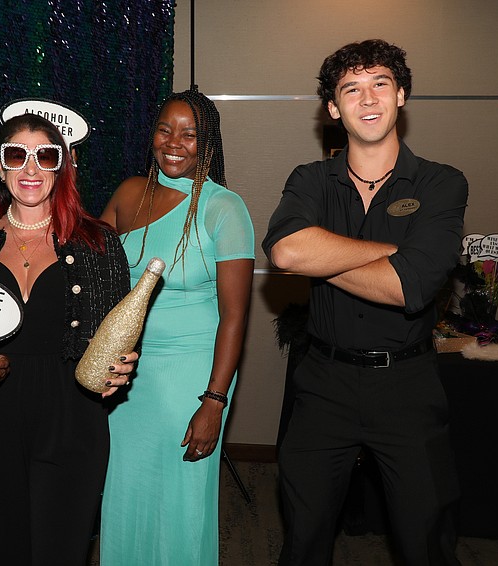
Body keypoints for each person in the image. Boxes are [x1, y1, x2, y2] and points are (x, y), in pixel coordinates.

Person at [262, 39, 468, 566]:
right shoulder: (310, 180)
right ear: (334, 109)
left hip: (407, 387)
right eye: (351, 88)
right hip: (324, 383)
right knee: (304, 540)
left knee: (426, 542)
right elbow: (287, 252)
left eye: (380, 83)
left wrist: (327, 255)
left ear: (401, 95)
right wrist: (398, 254)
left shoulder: (442, 182)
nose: (368, 97)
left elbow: (408, 287)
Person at [0, 111, 135, 566]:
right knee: (2, 546)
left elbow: (119, 337)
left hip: (72, 417)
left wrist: (122, 367)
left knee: (61, 549)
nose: (31, 168)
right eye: (16, 155)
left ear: (62, 166)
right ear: (0, 167)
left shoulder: (100, 244)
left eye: (46, 156)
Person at [99, 87, 255, 565]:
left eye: (189, 134)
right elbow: (88, 268)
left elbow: (235, 317)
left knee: (180, 506)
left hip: (191, 379)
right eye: (165, 129)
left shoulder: (223, 208)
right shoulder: (128, 193)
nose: (174, 142)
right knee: (123, 495)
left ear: (207, 143)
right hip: (126, 377)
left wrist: (214, 401)